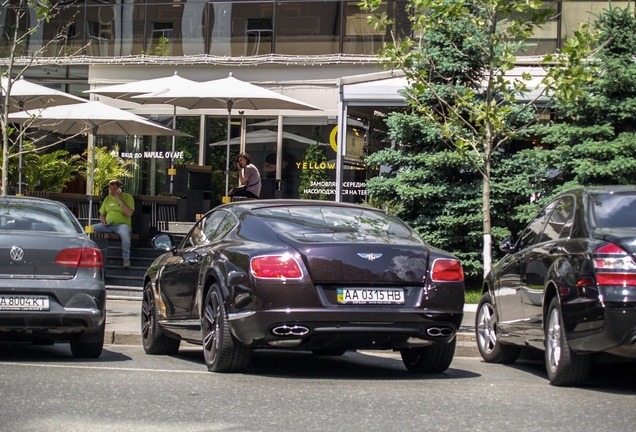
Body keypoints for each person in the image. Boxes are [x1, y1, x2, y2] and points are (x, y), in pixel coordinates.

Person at [91, 179, 135, 268]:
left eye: (114, 189)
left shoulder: (127, 197)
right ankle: (91, 255)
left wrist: (119, 200)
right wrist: (104, 221)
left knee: (125, 234)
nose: (112, 191)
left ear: (119, 189)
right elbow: (101, 215)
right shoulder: (107, 199)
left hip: (122, 225)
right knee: (90, 228)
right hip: (108, 225)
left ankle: (126, 259)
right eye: (110, 189)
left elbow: (129, 213)